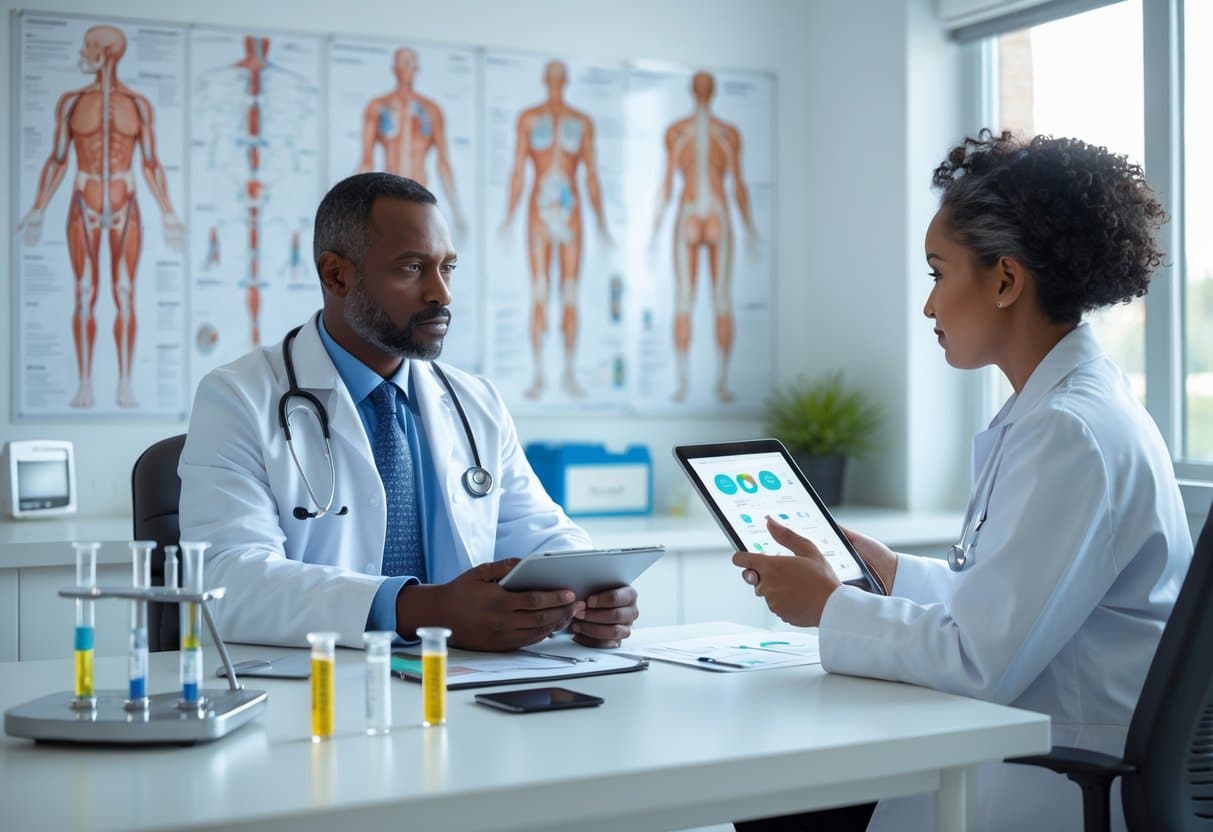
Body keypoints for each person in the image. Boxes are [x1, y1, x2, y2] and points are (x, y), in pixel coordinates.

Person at [732, 132, 1192, 832]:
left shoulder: (1070, 431)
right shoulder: (1060, 410)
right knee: (792, 798)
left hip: (1059, 774)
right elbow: (1014, 609)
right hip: (1041, 740)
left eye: (937, 275)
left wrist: (829, 606)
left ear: (1005, 280)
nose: (928, 308)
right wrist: (890, 574)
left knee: (784, 801)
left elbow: (980, 661)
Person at [178, 172, 639, 651]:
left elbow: (542, 536)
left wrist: (590, 596)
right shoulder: (237, 399)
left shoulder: (475, 402)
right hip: (318, 690)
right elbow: (227, 583)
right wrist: (423, 610)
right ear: (337, 275)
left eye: (448, 268)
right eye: (413, 268)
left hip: (463, 685)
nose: (441, 294)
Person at [19, 24, 184, 410]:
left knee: (124, 293)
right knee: (83, 293)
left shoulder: (138, 105)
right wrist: (39, 208)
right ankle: (85, 383)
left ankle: (125, 382)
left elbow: (151, 163)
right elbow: (58, 160)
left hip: (126, 203)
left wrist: (168, 213)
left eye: (91, 45)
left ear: (108, 52)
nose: (85, 50)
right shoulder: (71, 102)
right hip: (83, 199)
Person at [500, 59, 612, 400]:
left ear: (565, 81)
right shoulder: (528, 119)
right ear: (544, 80)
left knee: (569, 293)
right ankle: (538, 375)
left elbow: (591, 175)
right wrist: (507, 215)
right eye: (552, 78)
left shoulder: (582, 122)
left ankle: (568, 371)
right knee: (539, 290)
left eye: (559, 79)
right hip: (538, 211)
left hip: (571, 210)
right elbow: (518, 170)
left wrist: (603, 222)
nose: (555, 84)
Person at [650, 70, 758, 404]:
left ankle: (707, 383)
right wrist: (654, 229)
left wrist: (750, 226)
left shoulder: (702, 132)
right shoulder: (715, 132)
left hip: (698, 211)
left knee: (702, 298)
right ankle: (698, 383)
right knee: (706, 298)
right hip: (710, 210)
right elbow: (669, 182)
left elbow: (737, 183)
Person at [358, 47, 468, 243]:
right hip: (388, 200)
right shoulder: (378, 107)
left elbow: (443, 163)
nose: (406, 69)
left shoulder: (431, 110)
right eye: (402, 63)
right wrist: (354, 210)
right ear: (394, 69)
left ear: (417, 68)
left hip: (420, 201)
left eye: (410, 64)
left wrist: (457, 212)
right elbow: (367, 161)